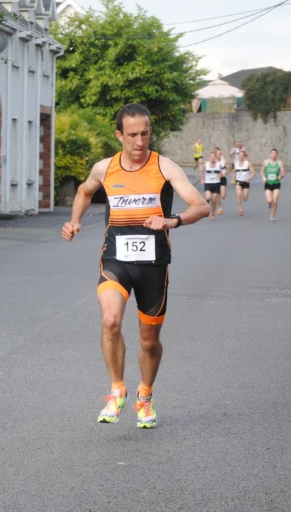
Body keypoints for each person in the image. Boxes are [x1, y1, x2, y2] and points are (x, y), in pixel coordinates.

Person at [61, 103, 209, 429]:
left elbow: (201, 206)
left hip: (154, 265)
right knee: (111, 319)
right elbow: (85, 192)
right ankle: (117, 390)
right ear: (119, 135)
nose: (140, 142)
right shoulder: (105, 168)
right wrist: (74, 221)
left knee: (149, 342)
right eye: (132, 135)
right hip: (116, 258)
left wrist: (172, 221)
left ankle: (145, 395)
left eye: (145, 133)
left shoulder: (164, 167)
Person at [260, 148, 285, 221]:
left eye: (275, 153)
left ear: (277, 155)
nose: (273, 154)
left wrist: (281, 176)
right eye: (272, 153)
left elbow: (283, 172)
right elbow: (262, 171)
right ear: (270, 154)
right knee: (269, 200)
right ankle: (269, 203)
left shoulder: (279, 163)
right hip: (268, 184)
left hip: (276, 184)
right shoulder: (266, 162)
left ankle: (272, 215)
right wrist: (264, 178)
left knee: (275, 201)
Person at [203, 151, 223, 220]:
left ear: (215, 157)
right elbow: (201, 170)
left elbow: (221, 172)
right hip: (208, 183)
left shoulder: (219, 164)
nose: (212, 157)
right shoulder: (206, 164)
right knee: (208, 197)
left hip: (216, 183)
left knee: (214, 200)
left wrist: (220, 176)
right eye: (211, 156)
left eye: (213, 156)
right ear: (209, 157)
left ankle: (212, 214)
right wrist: (202, 179)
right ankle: (205, 206)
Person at [234, 150, 254, 216]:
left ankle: (245, 195)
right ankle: (240, 209)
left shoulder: (247, 163)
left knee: (245, 198)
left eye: (242, 155)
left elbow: (253, 172)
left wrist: (249, 178)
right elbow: (234, 172)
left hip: (246, 181)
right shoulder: (236, 163)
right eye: (239, 155)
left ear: (244, 156)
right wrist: (233, 179)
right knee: (238, 195)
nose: (241, 156)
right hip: (238, 181)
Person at [215, 147, 228, 214]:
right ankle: (219, 208)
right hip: (216, 180)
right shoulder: (213, 161)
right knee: (217, 194)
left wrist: (225, 173)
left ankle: (220, 193)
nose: (218, 155)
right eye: (217, 154)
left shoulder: (224, 161)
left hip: (223, 179)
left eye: (220, 154)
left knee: (223, 196)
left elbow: (229, 168)